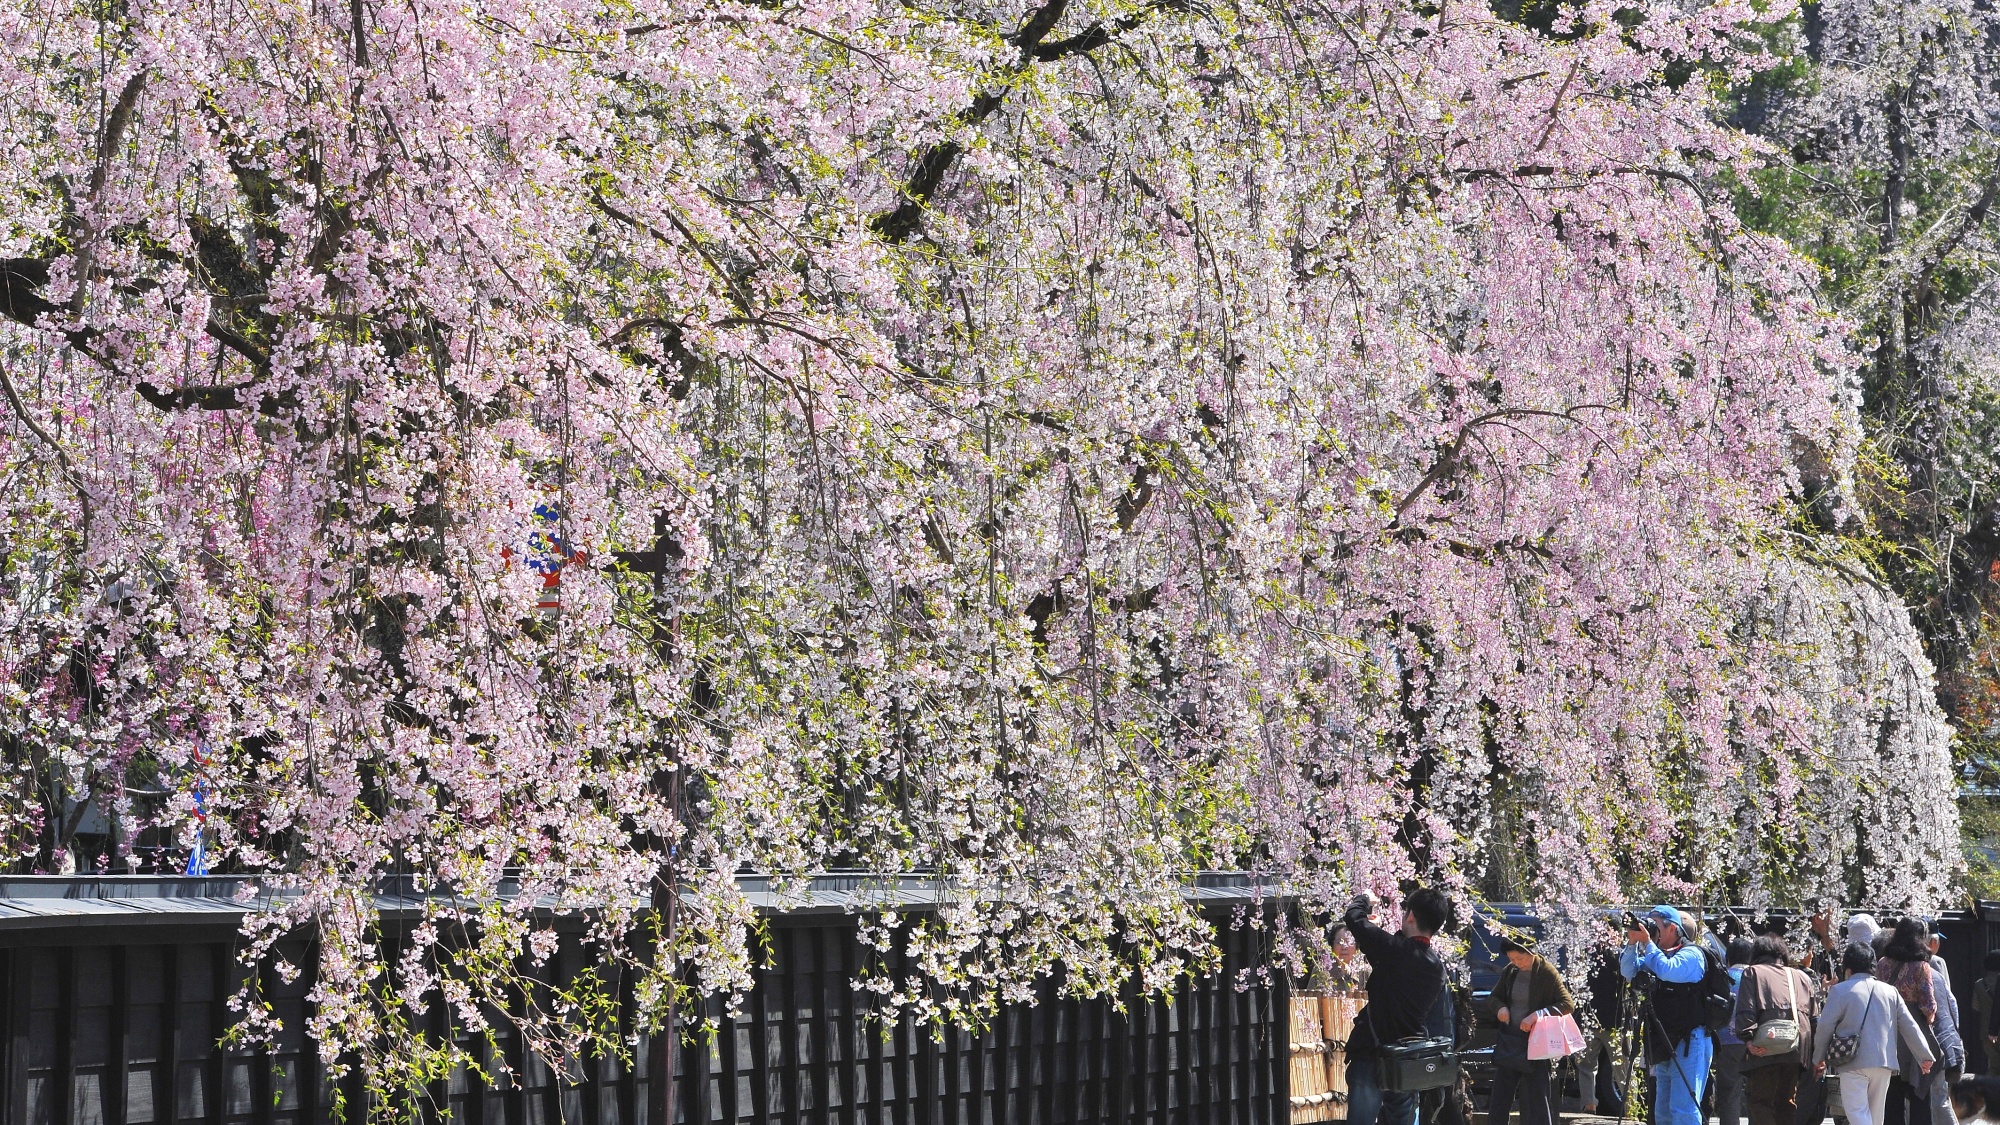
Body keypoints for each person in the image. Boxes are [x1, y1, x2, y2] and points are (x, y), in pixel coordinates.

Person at [1344, 887, 1451, 1125]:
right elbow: (1391, 971)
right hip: (1407, 1060)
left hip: (1371, 1052)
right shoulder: (1437, 969)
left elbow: (1353, 917)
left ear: (1410, 916)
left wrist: (1365, 900)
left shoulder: (1394, 950)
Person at [1810, 942, 1934, 1125]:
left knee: (1857, 1113)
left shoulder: (1840, 991)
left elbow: (1825, 1027)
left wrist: (1818, 1058)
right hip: (1884, 1063)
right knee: (1876, 1119)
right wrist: (1924, 1055)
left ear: (1848, 968)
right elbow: (1909, 1025)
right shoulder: (1890, 992)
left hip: (1852, 1061)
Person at [1621, 905, 1714, 1125]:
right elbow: (1628, 971)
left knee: (1684, 1110)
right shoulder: (1658, 956)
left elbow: (1667, 971)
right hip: (1664, 1040)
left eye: (1656, 926)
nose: (1652, 932)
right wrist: (1633, 942)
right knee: (1662, 1113)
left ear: (1672, 928)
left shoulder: (1692, 955)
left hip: (1690, 1041)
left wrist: (1647, 943)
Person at [1484, 936, 1577, 1125]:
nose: (1517, 963)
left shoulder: (1546, 972)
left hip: (1536, 1046)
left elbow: (1567, 1004)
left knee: (1536, 1099)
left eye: (1520, 958)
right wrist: (1500, 1008)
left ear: (1531, 952)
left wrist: (1538, 1015)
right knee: (1500, 1098)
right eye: (1512, 960)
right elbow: (1494, 997)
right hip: (1510, 1042)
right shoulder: (1510, 971)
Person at [1876, 917, 1951, 1125]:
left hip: (1888, 1033)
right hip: (1914, 1034)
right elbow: (1929, 1005)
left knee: (1891, 1095)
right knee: (1919, 1094)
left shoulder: (1883, 963)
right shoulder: (1921, 966)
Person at [1735, 934, 1816, 1125]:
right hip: (1797, 1047)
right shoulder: (1801, 977)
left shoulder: (1753, 973)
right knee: (1786, 1102)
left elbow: (1746, 1008)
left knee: (1760, 1101)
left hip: (1765, 1045)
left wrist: (1748, 1038)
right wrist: (1816, 1054)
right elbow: (1814, 1017)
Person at [1715, 937, 1754, 1125]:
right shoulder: (1757, 977)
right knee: (1757, 1094)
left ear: (1728, 958)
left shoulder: (1724, 977)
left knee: (1729, 1093)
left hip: (1727, 1042)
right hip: (1756, 1043)